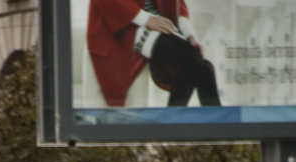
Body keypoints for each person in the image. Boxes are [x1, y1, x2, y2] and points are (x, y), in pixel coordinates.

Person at [87, 0, 221, 108]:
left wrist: (190, 35)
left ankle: (179, 127)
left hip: (158, 22)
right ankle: (214, 130)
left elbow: (176, 4)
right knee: (195, 62)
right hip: (122, 26)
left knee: (203, 66)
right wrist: (146, 19)